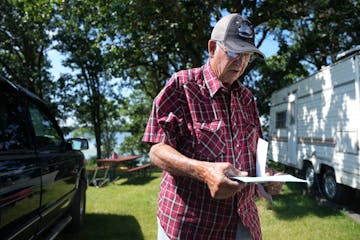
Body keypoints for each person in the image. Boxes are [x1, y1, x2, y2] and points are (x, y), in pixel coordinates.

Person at [142, 13, 282, 240]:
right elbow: (157, 150)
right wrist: (204, 171)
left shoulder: (247, 98)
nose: (240, 62)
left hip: (242, 221)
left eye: (247, 55)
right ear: (211, 48)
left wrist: (266, 177)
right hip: (192, 225)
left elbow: (253, 153)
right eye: (234, 52)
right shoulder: (182, 85)